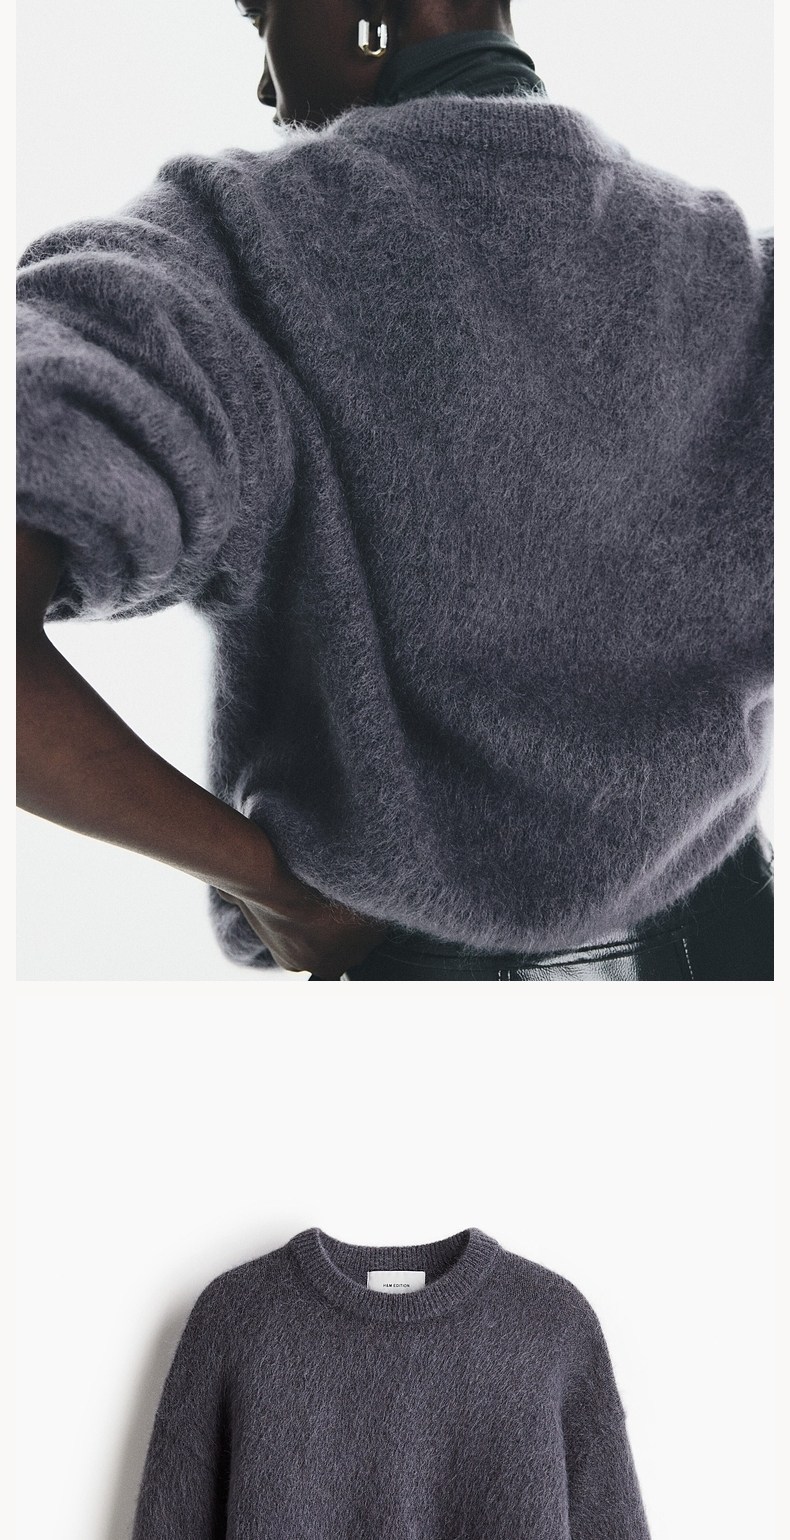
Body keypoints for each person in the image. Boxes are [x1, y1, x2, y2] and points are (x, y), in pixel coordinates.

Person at [16, 1, 773, 981]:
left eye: (262, 16)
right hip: (736, 953)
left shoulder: (220, 251)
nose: (264, 85)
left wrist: (276, 889)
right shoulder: (737, 269)